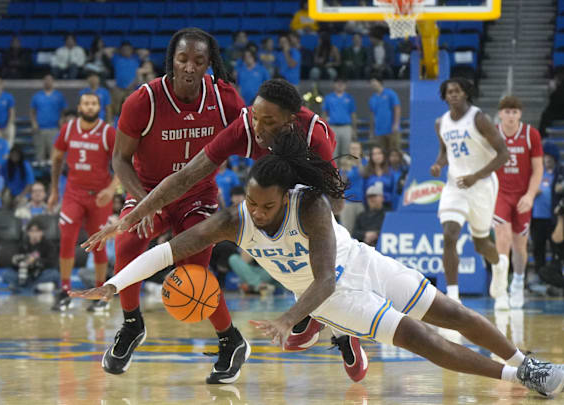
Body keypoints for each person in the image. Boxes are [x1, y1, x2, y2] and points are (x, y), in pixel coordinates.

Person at [73, 133, 564, 398]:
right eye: (253, 203)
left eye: (267, 206)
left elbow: (328, 270)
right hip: (334, 299)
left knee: (453, 313)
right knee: (423, 341)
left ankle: (523, 359)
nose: (259, 212)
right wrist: (115, 284)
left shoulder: (309, 205)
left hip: (354, 266)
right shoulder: (233, 219)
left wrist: (291, 318)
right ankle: (518, 379)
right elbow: (169, 251)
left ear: (284, 195)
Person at [81, 78, 365, 379]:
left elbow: (336, 204)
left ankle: (343, 332)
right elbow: (185, 176)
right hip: (272, 201)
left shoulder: (314, 136)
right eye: (255, 116)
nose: (257, 126)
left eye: (267, 121)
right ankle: (307, 315)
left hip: (310, 199)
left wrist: (305, 212)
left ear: (289, 121)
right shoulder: (244, 128)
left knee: (321, 270)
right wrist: (131, 217)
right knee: (284, 264)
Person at [76, 28, 251, 383]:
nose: (190, 67)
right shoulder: (143, 101)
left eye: (199, 61)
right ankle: (131, 324)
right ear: (171, 60)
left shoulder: (225, 99)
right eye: (183, 59)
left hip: (197, 195)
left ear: (209, 65)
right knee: (127, 242)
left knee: (193, 273)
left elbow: (250, 137)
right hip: (149, 191)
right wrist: (144, 203)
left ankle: (231, 340)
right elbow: (120, 160)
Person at [430, 78, 510, 303]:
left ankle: (500, 264)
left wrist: (476, 176)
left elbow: (504, 154)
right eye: (449, 92)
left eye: (457, 91)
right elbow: (446, 151)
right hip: (455, 186)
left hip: (482, 185)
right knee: (449, 235)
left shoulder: (479, 119)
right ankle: (453, 296)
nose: (453, 95)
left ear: (465, 94)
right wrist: (438, 164)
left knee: (480, 244)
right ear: (445, 97)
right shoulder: (440, 123)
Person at [46, 92, 119, 312]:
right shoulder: (68, 129)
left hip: (99, 195)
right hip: (73, 193)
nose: (89, 107)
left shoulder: (108, 132)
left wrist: (111, 189)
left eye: (94, 103)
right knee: (67, 238)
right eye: (86, 103)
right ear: (79, 107)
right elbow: (57, 158)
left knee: (98, 243)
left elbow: (122, 163)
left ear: (100, 107)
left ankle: (99, 292)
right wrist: (53, 191)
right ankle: (65, 290)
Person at [491, 96, 544, 310]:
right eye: (507, 111)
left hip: (523, 195)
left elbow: (538, 169)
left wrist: (530, 195)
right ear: (500, 114)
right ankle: (501, 290)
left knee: (519, 246)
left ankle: (518, 283)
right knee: (502, 240)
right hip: (500, 194)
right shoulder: (493, 134)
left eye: (514, 112)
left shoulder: (531, 135)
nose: (511, 116)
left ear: (520, 114)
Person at [530, 142, 564, 271]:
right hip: (537, 218)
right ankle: (540, 275)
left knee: (557, 248)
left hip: (555, 218)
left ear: (555, 157)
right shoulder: (536, 172)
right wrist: (532, 192)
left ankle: (556, 276)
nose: (547, 159)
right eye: (544, 156)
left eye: (549, 156)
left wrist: (563, 190)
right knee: (538, 248)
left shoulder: (562, 173)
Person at [3, 219, 59, 293]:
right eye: (32, 231)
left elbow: (53, 263)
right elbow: (13, 262)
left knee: (54, 274)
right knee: (6, 274)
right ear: (28, 232)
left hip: (40, 274)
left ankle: (21, 288)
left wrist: (36, 261)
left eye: (37, 231)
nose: (35, 234)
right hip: (23, 274)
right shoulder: (23, 244)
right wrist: (20, 261)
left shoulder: (48, 245)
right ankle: (33, 288)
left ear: (42, 232)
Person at [30, 74, 66, 162]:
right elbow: (32, 112)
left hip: (54, 129)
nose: (48, 82)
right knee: (39, 156)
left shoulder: (59, 96)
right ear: (43, 82)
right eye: (46, 80)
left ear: (53, 82)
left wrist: (61, 121)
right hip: (40, 129)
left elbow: (64, 111)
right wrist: (34, 123)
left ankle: (54, 175)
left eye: (50, 80)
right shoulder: (37, 96)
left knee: (54, 156)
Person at [322, 78, 357, 163]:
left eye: (342, 83)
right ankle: (335, 174)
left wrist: (354, 129)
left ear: (345, 85)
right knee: (333, 152)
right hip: (333, 127)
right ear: (334, 84)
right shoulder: (328, 98)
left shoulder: (349, 98)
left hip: (346, 127)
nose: (340, 85)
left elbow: (353, 115)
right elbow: (324, 114)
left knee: (346, 152)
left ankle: (345, 174)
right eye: (338, 83)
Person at [368, 77, 401, 153]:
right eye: (371, 83)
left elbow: (397, 108)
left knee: (394, 152)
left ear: (380, 82)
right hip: (379, 131)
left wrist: (396, 124)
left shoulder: (390, 94)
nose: (373, 85)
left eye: (374, 82)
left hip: (391, 129)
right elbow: (372, 115)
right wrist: (372, 130)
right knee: (382, 153)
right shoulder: (372, 98)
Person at [339, 142, 365, 233]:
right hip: (348, 201)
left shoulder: (364, 162)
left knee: (362, 230)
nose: (354, 151)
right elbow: (342, 182)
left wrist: (358, 162)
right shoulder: (345, 164)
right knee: (347, 231)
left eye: (356, 148)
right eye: (352, 148)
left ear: (360, 150)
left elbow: (363, 174)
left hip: (362, 201)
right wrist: (345, 171)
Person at [538, 73, 564, 137]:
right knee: (546, 114)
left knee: (546, 116)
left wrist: (551, 91)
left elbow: (555, 104)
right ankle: (541, 133)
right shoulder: (563, 87)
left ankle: (542, 135)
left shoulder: (563, 89)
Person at [110, 42, 140, 119]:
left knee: (133, 110)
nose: (126, 51)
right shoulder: (116, 59)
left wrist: (136, 51)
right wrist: (116, 50)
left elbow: (145, 53)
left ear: (131, 50)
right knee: (116, 109)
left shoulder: (136, 59)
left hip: (132, 88)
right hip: (119, 88)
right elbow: (107, 51)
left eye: (128, 49)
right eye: (124, 49)